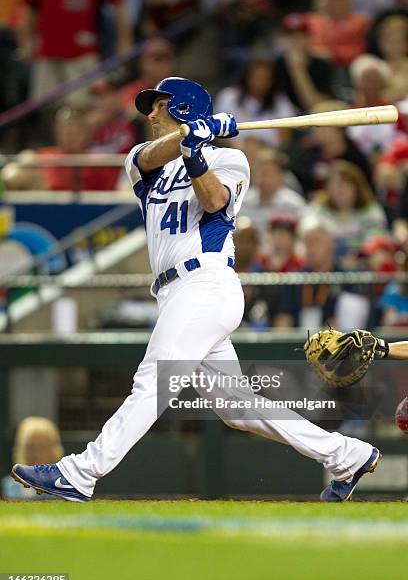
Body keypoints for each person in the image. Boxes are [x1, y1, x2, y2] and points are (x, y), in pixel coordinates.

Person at [12, 77, 380, 503]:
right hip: (175, 293)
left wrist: (197, 155)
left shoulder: (232, 160)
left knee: (152, 382)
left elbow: (214, 202)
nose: (150, 115)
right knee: (239, 408)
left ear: (184, 109)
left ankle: (80, 473)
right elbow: (148, 157)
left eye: (161, 106)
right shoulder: (141, 161)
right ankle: (346, 454)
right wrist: (189, 140)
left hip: (205, 284)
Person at [19, 0, 133, 102]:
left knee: (83, 105)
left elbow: (118, 3)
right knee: (44, 106)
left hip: (83, 54)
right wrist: (26, 41)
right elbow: (28, 7)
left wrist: (125, 41)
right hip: (47, 54)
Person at [214, 57, 296, 146]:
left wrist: (261, 147)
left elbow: (285, 140)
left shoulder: (280, 102)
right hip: (233, 150)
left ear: (272, 80)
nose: (260, 82)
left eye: (265, 78)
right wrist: (242, 145)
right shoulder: (228, 96)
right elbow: (217, 134)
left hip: (268, 153)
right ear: (247, 77)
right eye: (256, 77)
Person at [276, 12, 334, 112]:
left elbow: (317, 107)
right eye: (290, 36)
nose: (295, 42)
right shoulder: (275, 65)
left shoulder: (323, 65)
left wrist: (298, 69)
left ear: (309, 38)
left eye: (300, 36)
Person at [1, 417, 63, 500]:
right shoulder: (9, 485)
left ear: (54, 450)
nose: (35, 454)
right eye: (30, 447)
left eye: (42, 447)